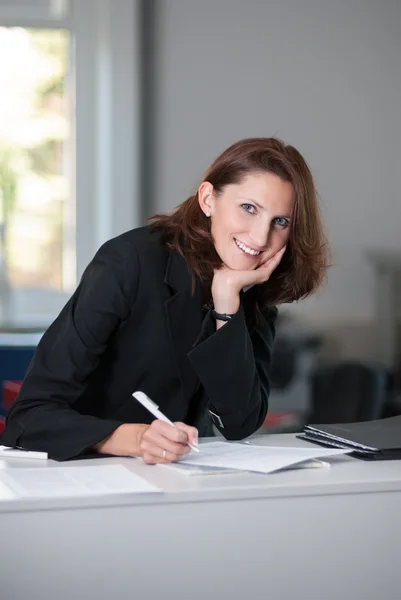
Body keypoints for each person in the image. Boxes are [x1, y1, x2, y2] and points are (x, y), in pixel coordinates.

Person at [1, 137, 328, 463]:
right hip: (83, 473)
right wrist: (133, 437)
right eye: (249, 208)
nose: (260, 237)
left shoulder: (251, 287)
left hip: (174, 481)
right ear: (208, 199)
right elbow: (28, 417)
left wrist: (226, 303)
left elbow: (239, 423)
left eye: (280, 221)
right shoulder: (128, 262)